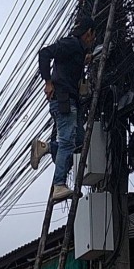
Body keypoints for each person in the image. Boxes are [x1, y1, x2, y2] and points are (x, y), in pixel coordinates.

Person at [32, 17, 96, 202]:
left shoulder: (76, 49)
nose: (93, 40)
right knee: (67, 142)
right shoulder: (71, 43)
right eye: (93, 36)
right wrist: (48, 82)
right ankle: (59, 185)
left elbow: (67, 66)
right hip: (63, 100)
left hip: (69, 101)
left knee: (79, 142)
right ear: (89, 33)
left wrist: (83, 60)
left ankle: (45, 147)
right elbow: (44, 53)